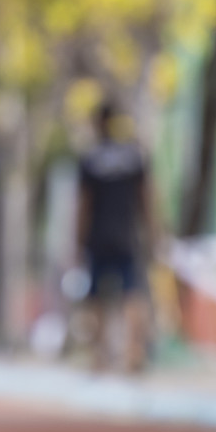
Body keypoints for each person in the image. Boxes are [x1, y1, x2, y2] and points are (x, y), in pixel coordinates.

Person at [75, 100, 159, 372]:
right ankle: (133, 354)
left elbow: (83, 204)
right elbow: (147, 199)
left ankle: (98, 357)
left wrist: (77, 240)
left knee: (97, 296)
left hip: (98, 235)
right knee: (132, 292)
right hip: (128, 235)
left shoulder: (91, 159)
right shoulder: (134, 156)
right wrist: (154, 233)